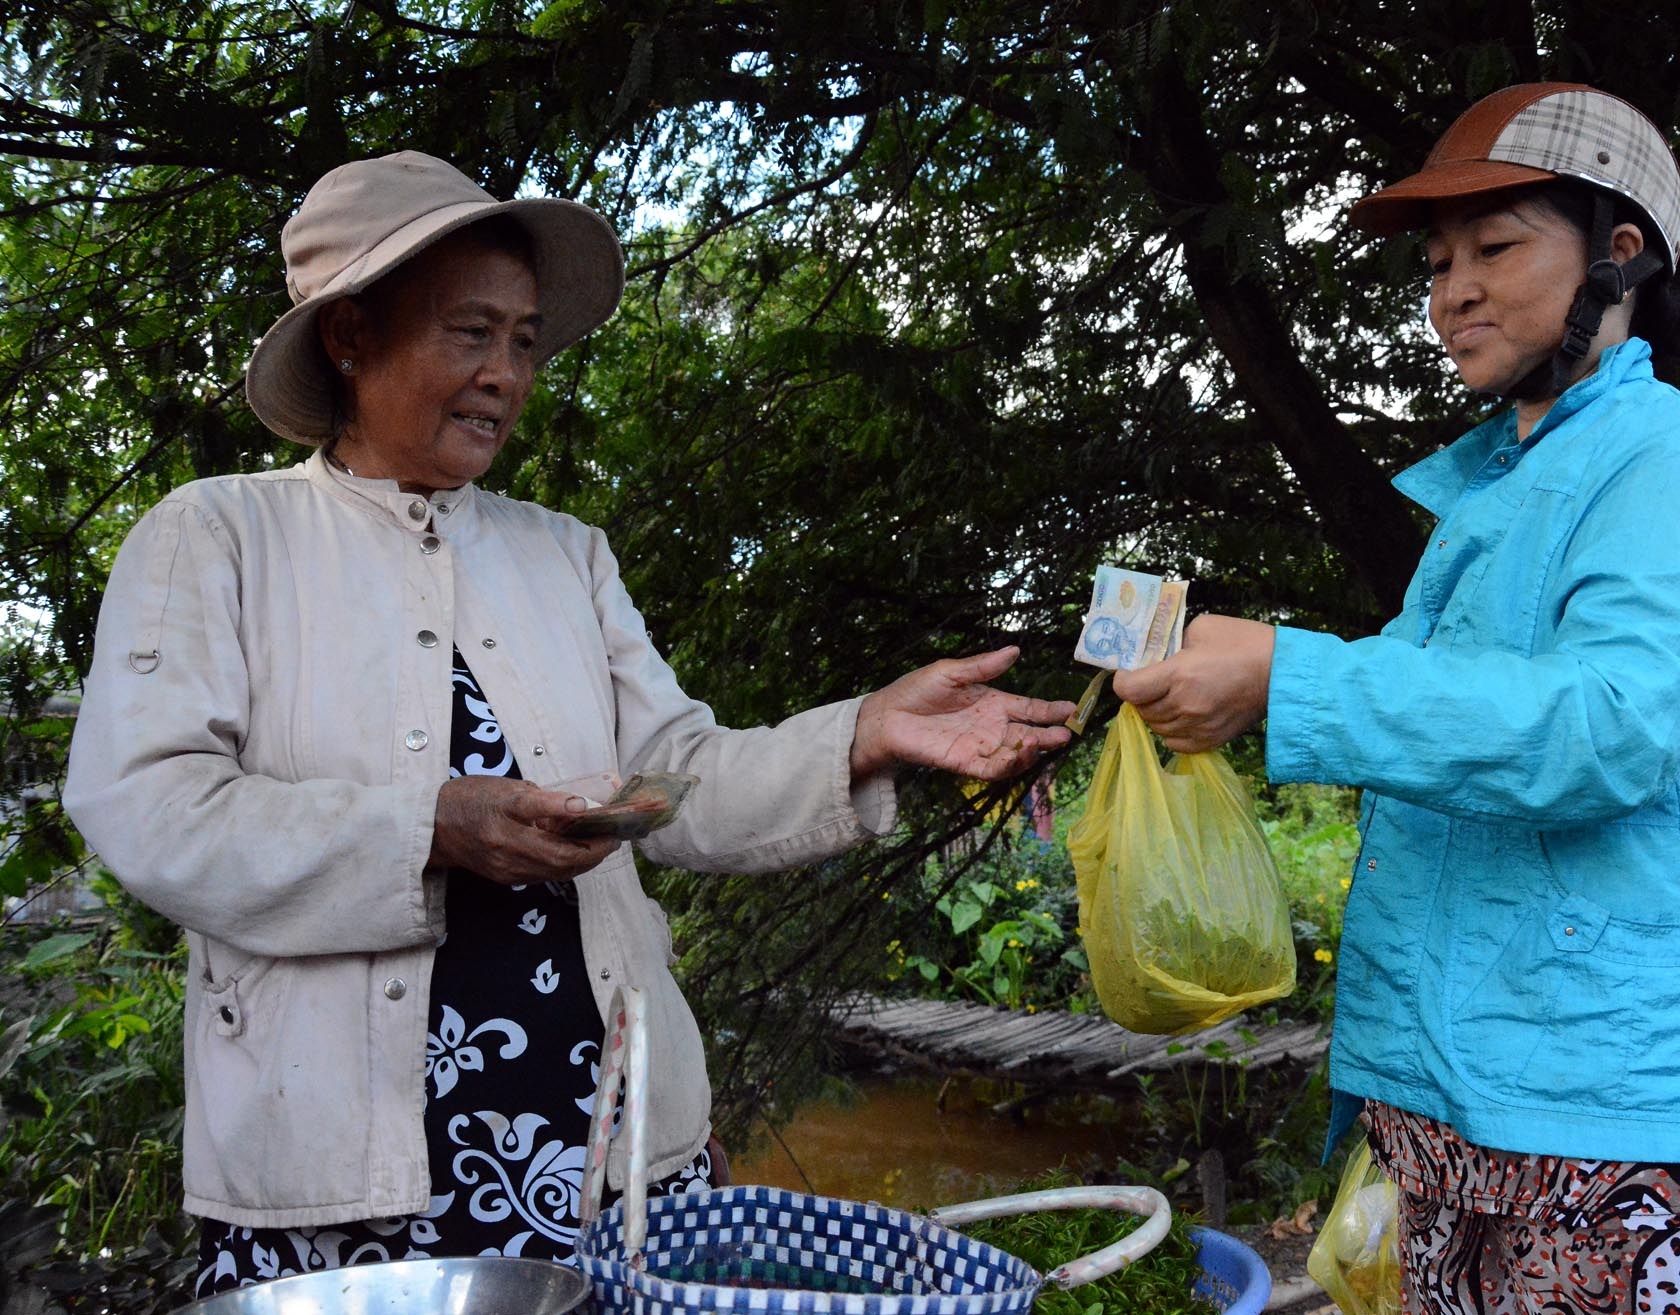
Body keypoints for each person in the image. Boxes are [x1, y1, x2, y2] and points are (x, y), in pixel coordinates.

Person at [61, 150, 1075, 1294]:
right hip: (343, 1157)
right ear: (350, 334)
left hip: (601, 1137)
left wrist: (863, 733)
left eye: (526, 340)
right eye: (469, 332)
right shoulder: (217, 539)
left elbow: (675, 778)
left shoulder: (562, 554)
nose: (505, 374)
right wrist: (429, 825)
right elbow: (148, 806)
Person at [1113, 84, 1680, 1314]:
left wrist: (1291, 672)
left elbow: (1609, 726)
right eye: (1441, 261)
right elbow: (1438, 716)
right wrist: (1232, 690)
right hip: (1454, 1098)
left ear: (1621, 256)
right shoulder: (1492, 496)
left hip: (1619, 1117)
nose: (1453, 291)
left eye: (1497, 247)